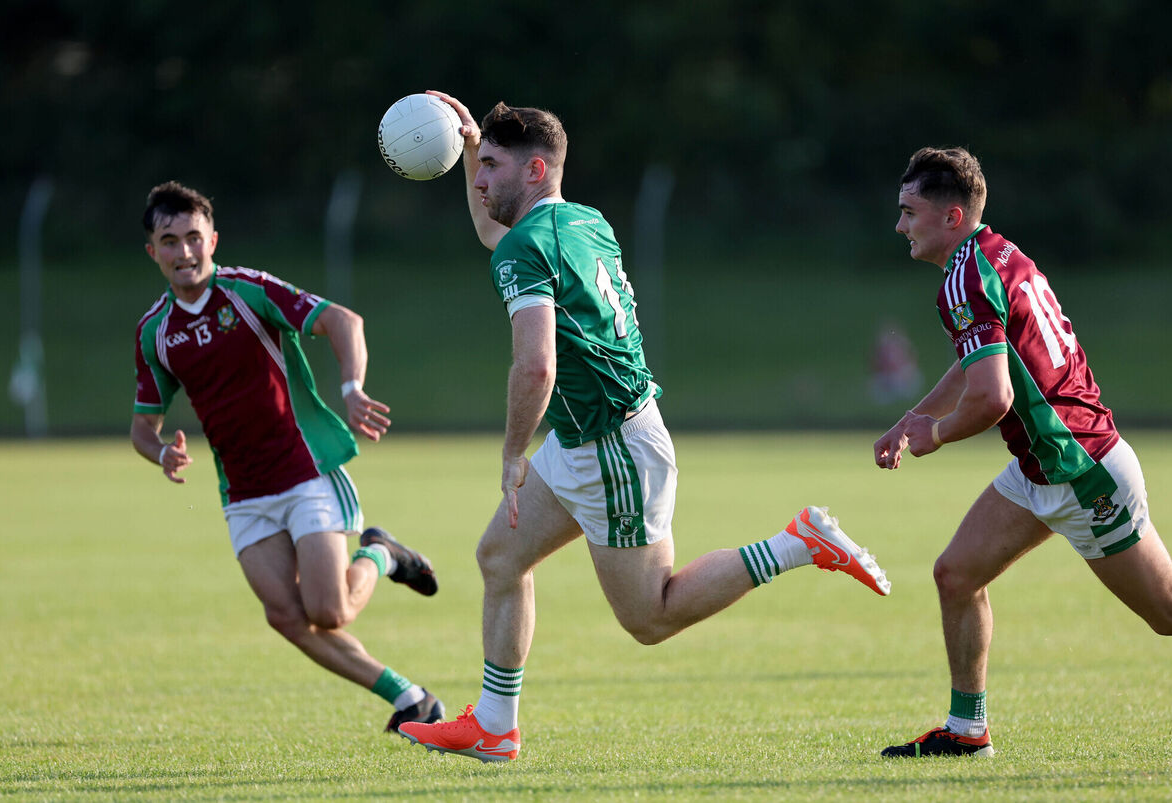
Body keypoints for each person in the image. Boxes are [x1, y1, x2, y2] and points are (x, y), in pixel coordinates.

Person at [393, 92, 891, 764]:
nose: (480, 180)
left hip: (613, 452)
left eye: (492, 167)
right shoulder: (583, 220)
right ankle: (494, 724)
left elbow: (536, 366)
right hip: (585, 439)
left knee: (650, 617)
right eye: (479, 167)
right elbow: (493, 232)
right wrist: (471, 147)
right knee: (500, 558)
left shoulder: (527, 249)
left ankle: (796, 543)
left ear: (535, 171)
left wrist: (512, 453)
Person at [874, 147, 1172, 758]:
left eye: (909, 212)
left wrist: (934, 436)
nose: (899, 225)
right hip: (1043, 468)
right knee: (956, 574)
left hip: (1082, 471)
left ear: (951, 216)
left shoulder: (966, 278)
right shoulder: (995, 253)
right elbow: (977, 364)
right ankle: (967, 730)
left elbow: (992, 396)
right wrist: (912, 419)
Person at [131, 181, 445, 732]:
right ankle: (411, 700)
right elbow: (142, 427)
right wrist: (161, 454)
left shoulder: (247, 291)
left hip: (305, 472)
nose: (184, 251)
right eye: (170, 241)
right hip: (243, 493)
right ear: (152, 251)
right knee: (285, 616)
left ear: (213, 240)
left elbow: (343, 321)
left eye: (194, 237)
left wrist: (351, 389)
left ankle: (381, 554)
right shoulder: (155, 332)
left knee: (330, 611)